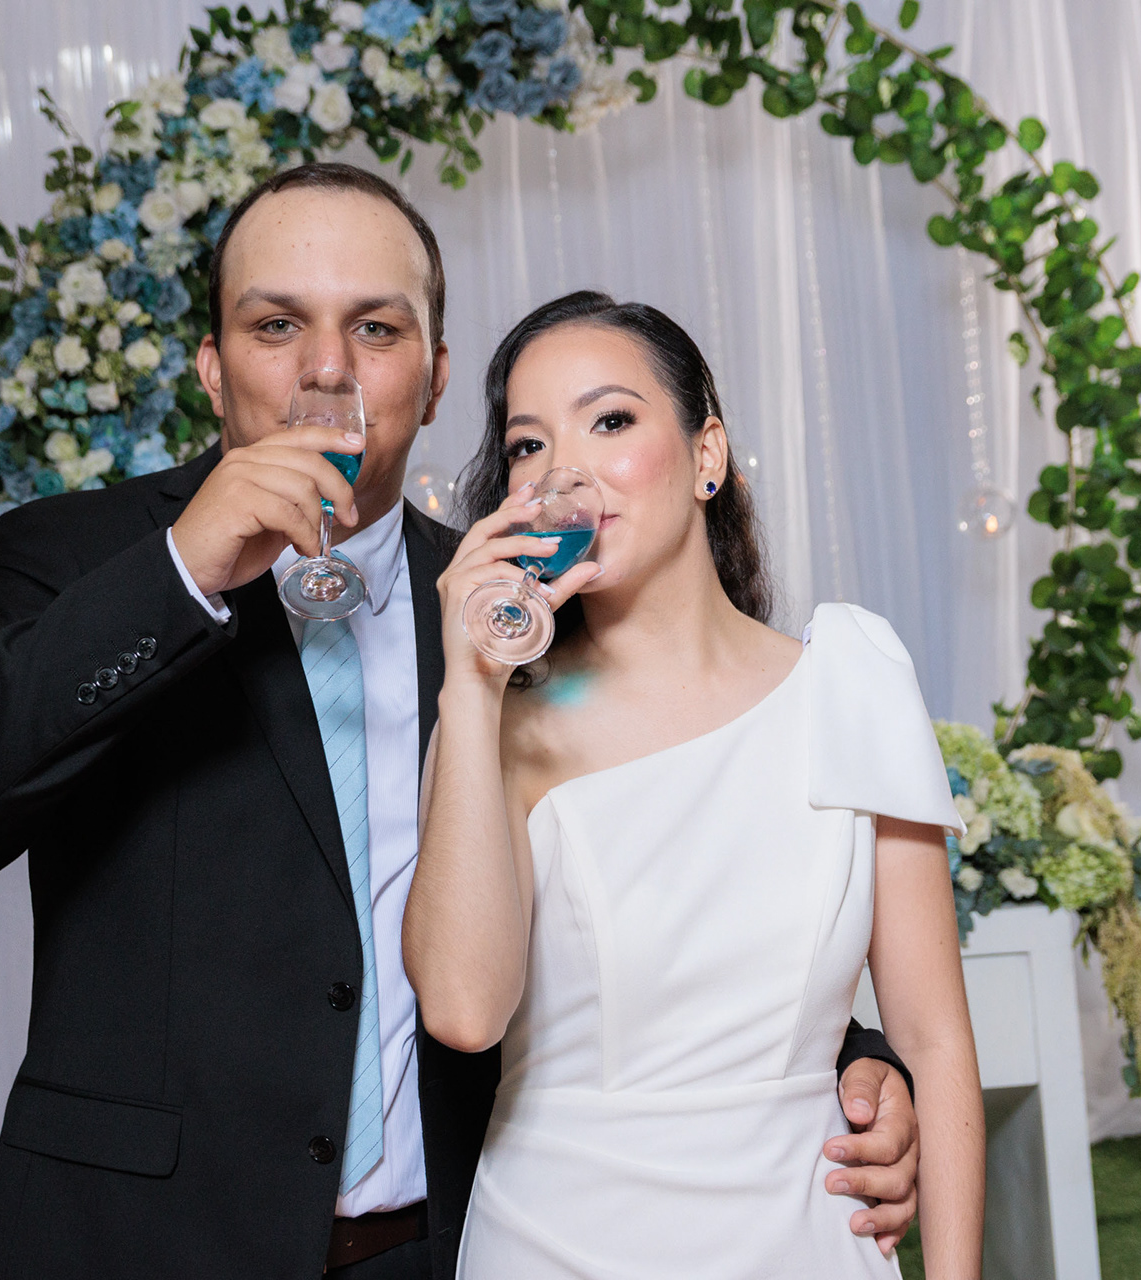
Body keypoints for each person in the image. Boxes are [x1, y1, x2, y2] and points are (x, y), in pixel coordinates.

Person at [0, 164, 925, 1279]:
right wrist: (183, 571)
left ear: (433, 377)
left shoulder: (508, 607)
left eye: (375, 328)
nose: (327, 368)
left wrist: (844, 1058)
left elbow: (658, 877)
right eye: (277, 325)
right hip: (142, 1246)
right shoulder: (79, 556)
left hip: (449, 1244)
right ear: (213, 369)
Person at [404, 291, 986, 1278]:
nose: (566, 472)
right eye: (529, 445)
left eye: (610, 420)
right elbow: (463, 1012)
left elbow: (934, 1039)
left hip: (809, 1241)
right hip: (556, 1242)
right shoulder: (496, 722)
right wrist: (469, 681)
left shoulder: (853, 678)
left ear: (706, 453)